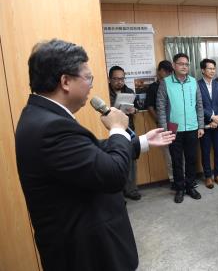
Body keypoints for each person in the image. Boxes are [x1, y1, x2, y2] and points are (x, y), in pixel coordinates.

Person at [15, 39, 175, 271]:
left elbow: (86, 155)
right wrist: (118, 129)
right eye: (88, 78)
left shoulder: (40, 116)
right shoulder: (50, 127)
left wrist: (140, 142)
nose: (91, 86)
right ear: (65, 81)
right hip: (85, 252)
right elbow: (113, 175)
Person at [157, 53, 205, 203]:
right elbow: (161, 107)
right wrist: (165, 129)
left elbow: (199, 105)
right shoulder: (166, 82)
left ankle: (190, 186)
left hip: (192, 127)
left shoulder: (193, 82)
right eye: (181, 64)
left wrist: (201, 125)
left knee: (191, 159)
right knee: (177, 160)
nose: (184, 66)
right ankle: (179, 188)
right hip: (173, 128)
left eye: (186, 64)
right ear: (174, 65)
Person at [108, 65, 141, 200]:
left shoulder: (129, 91)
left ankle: (131, 189)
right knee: (113, 161)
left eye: (122, 79)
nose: (119, 82)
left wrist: (134, 110)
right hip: (111, 130)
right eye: (116, 79)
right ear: (109, 79)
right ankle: (117, 194)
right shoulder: (104, 90)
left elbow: (138, 107)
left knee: (131, 160)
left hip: (128, 129)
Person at [145, 60, 176, 188]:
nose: (168, 74)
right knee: (168, 153)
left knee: (179, 152)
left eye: (170, 72)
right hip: (163, 124)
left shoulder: (173, 85)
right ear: (159, 72)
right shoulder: (153, 87)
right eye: (165, 71)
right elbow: (150, 107)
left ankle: (183, 177)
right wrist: (160, 121)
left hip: (175, 123)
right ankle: (173, 179)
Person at [198, 58, 218, 188]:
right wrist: (211, 117)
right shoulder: (197, 85)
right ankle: (208, 176)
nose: (212, 71)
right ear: (203, 70)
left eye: (214, 68)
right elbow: (197, 106)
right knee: (205, 152)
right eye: (209, 68)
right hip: (204, 124)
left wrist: (217, 118)